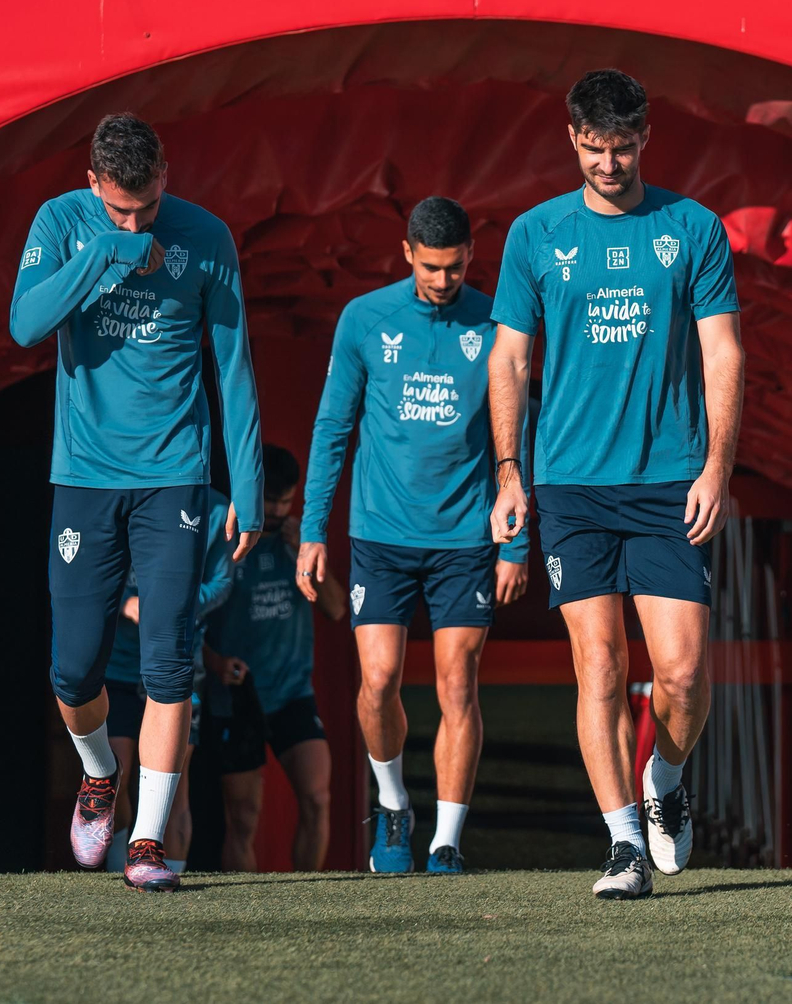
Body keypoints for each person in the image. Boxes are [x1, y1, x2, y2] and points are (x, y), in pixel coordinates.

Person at [487, 69, 745, 900]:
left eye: (622, 146)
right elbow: (511, 359)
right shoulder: (534, 234)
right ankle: (623, 846)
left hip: (672, 482)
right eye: (594, 148)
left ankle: (664, 782)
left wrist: (717, 466)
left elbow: (723, 354)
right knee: (599, 666)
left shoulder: (693, 228)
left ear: (645, 137)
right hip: (571, 488)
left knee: (682, 674)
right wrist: (508, 473)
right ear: (572, 138)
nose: (608, 162)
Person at [11, 113, 263, 893]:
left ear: (165, 176)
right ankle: (98, 775)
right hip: (84, 476)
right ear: (92, 183)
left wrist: (247, 488)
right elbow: (26, 323)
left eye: (146, 208)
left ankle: (147, 840)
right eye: (119, 207)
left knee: (168, 661)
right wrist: (109, 251)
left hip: (174, 477)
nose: (137, 221)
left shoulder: (205, 236)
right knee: (72, 668)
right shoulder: (62, 223)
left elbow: (234, 366)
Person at [299, 197, 530, 875]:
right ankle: (395, 807)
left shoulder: (495, 323)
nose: (442, 280)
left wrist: (515, 543)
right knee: (378, 681)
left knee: (458, 681)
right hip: (381, 537)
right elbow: (332, 430)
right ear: (406, 253)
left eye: (454, 268)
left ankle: (447, 839)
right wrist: (313, 532)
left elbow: (519, 436)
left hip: (465, 537)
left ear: (470, 258)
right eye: (431, 267)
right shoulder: (365, 320)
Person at [204, 445, 346, 871]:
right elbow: (191, 620)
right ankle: (243, 914)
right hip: (238, 697)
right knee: (243, 817)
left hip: (292, 695)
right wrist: (213, 662)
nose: (280, 510)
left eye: (288, 501)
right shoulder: (226, 541)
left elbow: (338, 608)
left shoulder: (298, 542)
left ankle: (309, 901)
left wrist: (306, 552)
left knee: (318, 798)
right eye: (272, 501)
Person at [101, 488, 233, 873]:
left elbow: (222, 583)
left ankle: (168, 876)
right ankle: (116, 868)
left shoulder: (217, 508)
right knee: (114, 774)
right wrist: (126, 600)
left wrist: (170, 604)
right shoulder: (124, 490)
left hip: (177, 664)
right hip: (121, 665)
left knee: (174, 786)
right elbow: (96, 568)